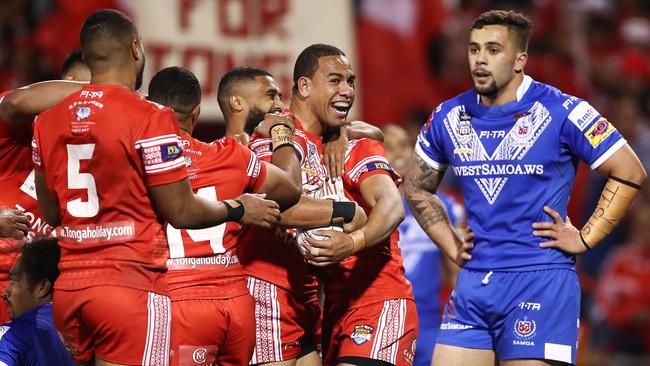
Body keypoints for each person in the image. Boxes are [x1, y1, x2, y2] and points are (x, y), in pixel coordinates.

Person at [32, 10, 280, 366]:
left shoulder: (47, 120)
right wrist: (239, 208)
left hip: (70, 290)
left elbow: (52, 212)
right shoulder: (150, 116)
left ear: (85, 57)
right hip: (129, 287)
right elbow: (180, 210)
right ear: (136, 48)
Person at [404, 10, 647, 366]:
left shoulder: (565, 110)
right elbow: (416, 188)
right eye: (474, 50)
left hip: (541, 282)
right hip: (474, 284)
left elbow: (629, 169)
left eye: (493, 50)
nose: (480, 59)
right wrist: (451, 243)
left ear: (520, 60)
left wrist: (585, 238)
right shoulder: (448, 116)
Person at [218, 65, 373, 366]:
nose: (279, 105)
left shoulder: (275, 143)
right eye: (270, 96)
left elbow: (374, 132)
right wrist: (343, 211)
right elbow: (282, 197)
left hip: (300, 291)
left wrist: (340, 130)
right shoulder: (246, 150)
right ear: (237, 102)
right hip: (265, 288)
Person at [148, 66, 302, 366]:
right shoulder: (230, 154)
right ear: (195, 114)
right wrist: (281, 133)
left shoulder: (141, 161)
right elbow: (291, 187)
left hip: (179, 302)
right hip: (235, 305)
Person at [286, 44, 416, 366]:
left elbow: (392, 206)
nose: (347, 90)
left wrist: (352, 241)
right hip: (332, 310)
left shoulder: (356, 145)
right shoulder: (286, 146)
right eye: (335, 81)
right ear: (304, 86)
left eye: (351, 81)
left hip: (379, 300)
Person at [0, 61, 89, 325]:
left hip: (32, 307)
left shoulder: (92, 159)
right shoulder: (16, 135)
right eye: (87, 92)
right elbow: (15, 103)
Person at [383, 124, 463, 366]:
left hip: (429, 324)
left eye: (405, 145)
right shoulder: (367, 207)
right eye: (388, 147)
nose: (399, 153)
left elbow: (456, 272)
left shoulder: (445, 206)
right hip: (384, 322)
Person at [0, 238, 74, 365]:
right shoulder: (93, 324)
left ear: (42, 287)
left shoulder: (15, 335)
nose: (5, 292)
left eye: (14, 280)